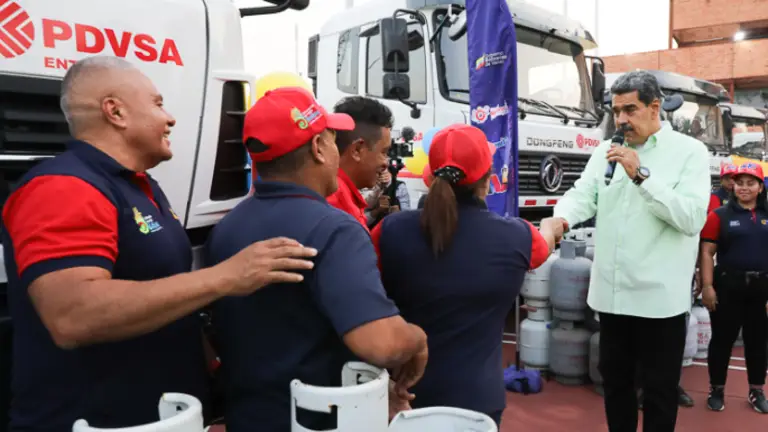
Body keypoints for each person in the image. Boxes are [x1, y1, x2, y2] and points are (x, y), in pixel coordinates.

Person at [0, 56, 318, 432]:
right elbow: (73, 315)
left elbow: (168, 294)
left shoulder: (142, 187)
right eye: (157, 103)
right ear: (115, 112)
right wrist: (227, 277)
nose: (170, 118)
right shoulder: (64, 187)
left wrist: (212, 381)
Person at [204, 87, 429, 432]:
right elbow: (381, 343)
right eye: (331, 138)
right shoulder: (334, 229)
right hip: (315, 420)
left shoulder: (226, 227)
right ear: (318, 148)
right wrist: (417, 338)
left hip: (247, 415)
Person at [370, 124, 563, 427]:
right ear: (487, 178)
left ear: (430, 175)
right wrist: (551, 226)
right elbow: (544, 245)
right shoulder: (518, 236)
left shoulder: (389, 231)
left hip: (403, 396)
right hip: (478, 400)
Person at [550, 70, 711, 432]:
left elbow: (691, 218)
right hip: (613, 298)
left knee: (659, 393)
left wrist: (641, 177)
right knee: (615, 387)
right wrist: (560, 220)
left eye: (630, 110)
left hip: (659, 303)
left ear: (655, 108)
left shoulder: (689, 153)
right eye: (616, 111)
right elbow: (583, 194)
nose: (621, 119)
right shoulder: (606, 152)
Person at [699, 162, 768, 414]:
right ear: (733, 186)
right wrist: (707, 286)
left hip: (761, 287)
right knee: (722, 340)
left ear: (760, 187)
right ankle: (716, 389)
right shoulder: (719, 215)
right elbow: (707, 252)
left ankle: (756, 390)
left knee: (758, 341)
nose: (744, 188)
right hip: (728, 285)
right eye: (739, 183)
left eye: (750, 183)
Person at [327, 96, 393, 230]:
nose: (386, 163)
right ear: (357, 150)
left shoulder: (339, 198)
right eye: (384, 152)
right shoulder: (340, 212)